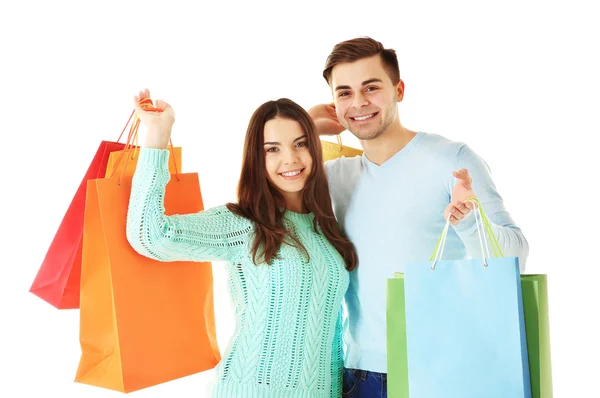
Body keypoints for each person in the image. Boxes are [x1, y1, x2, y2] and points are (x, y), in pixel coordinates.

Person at [308, 37, 529, 397]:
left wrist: (470, 221)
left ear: (399, 90)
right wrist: (307, 128)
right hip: (359, 375)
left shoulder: (451, 158)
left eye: (371, 87)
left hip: (440, 372)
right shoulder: (335, 175)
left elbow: (516, 258)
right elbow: (258, 212)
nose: (359, 102)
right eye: (344, 93)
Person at [126, 89, 357, 397]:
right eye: (271, 149)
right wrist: (157, 136)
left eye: (300, 144)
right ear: (255, 158)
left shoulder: (326, 225)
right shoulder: (244, 224)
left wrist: (309, 123)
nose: (289, 158)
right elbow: (150, 235)